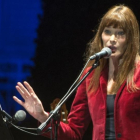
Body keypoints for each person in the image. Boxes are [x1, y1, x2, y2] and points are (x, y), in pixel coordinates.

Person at [13, 4, 140, 140]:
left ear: (130, 39)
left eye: (120, 33)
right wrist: (42, 115)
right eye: (108, 32)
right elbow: (73, 132)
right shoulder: (91, 75)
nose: (112, 39)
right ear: (101, 36)